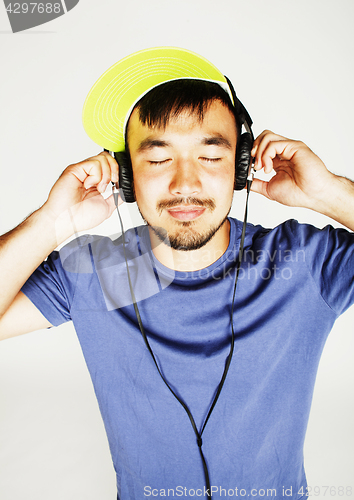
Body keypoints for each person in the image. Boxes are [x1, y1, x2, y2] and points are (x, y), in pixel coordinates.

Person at [0, 47, 354, 500]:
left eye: (210, 156)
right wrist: (50, 222)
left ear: (241, 168)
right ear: (126, 176)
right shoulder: (98, 272)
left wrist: (329, 195)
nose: (184, 183)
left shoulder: (302, 263)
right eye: (158, 158)